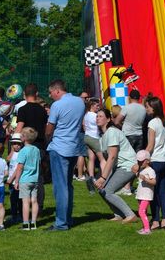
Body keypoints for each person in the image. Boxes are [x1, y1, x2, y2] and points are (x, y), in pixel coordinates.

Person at [45, 79, 86, 231]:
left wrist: (47, 139)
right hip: (73, 147)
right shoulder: (80, 102)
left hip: (59, 147)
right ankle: (67, 219)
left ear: (57, 90)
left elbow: (49, 129)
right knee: (68, 185)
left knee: (60, 188)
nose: (50, 96)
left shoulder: (57, 105)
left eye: (51, 93)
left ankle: (61, 223)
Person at [94, 108, 137, 223]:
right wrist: (101, 177)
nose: (97, 118)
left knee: (108, 191)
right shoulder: (103, 136)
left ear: (108, 119)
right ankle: (118, 214)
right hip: (118, 166)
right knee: (102, 190)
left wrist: (103, 178)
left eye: (101, 116)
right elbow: (108, 159)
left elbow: (112, 157)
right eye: (97, 116)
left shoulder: (112, 132)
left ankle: (130, 215)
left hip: (128, 165)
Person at [15, 83, 49, 209]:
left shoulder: (22, 110)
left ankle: (24, 206)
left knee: (24, 175)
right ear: (37, 94)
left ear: (24, 94)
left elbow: (19, 128)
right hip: (40, 146)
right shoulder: (42, 110)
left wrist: (14, 146)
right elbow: (45, 130)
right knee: (38, 177)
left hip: (26, 146)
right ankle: (38, 207)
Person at [144, 96, 165, 230]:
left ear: (153, 108)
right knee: (163, 191)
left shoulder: (152, 123)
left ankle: (156, 219)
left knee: (152, 192)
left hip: (155, 160)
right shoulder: (164, 121)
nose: (146, 109)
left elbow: (150, 145)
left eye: (147, 107)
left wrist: (142, 158)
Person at [12, 127, 41, 230]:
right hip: (35, 179)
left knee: (25, 202)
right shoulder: (36, 150)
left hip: (25, 180)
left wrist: (16, 181)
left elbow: (20, 167)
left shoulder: (23, 151)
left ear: (24, 138)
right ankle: (33, 223)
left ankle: (25, 224)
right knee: (34, 201)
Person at [82, 98, 105, 191]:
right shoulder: (95, 116)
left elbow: (83, 124)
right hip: (94, 138)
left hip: (87, 136)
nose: (98, 107)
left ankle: (91, 178)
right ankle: (104, 177)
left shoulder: (86, 115)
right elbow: (100, 124)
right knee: (102, 159)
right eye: (97, 105)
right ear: (92, 106)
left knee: (91, 159)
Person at [114, 89, 147, 153]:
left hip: (128, 135)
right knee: (137, 157)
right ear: (139, 97)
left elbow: (116, 121)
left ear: (129, 97)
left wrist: (122, 126)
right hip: (139, 135)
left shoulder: (127, 107)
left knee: (128, 156)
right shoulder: (143, 108)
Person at [134, 150, 156, 235]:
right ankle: (144, 227)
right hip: (141, 194)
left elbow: (154, 182)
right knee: (144, 212)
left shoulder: (150, 170)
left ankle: (147, 229)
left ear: (147, 160)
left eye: (142, 161)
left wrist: (145, 179)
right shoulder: (142, 169)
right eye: (138, 161)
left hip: (146, 195)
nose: (140, 162)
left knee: (141, 211)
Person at [6, 133, 23, 223]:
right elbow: (8, 159)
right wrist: (12, 150)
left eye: (18, 144)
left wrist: (11, 179)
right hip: (12, 181)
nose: (16, 146)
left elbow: (18, 169)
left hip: (16, 181)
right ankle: (14, 216)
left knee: (18, 200)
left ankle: (18, 216)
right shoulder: (14, 153)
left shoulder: (21, 154)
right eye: (14, 144)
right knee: (13, 200)